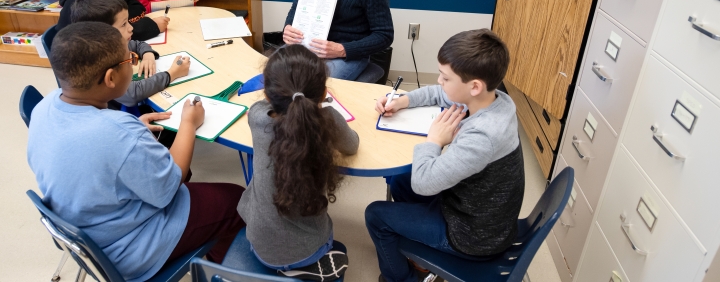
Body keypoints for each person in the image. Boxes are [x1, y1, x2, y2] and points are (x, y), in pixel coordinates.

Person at [27, 22, 245, 282]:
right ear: (110, 78)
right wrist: (188, 123)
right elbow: (172, 184)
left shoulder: (44, 106)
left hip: (91, 228)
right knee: (237, 200)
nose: (133, 63)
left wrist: (132, 134)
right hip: (127, 250)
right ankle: (229, 273)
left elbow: (91, 148)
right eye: (129, 60)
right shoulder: (119, 131)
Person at [366, 29, 525, 282]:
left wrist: (434, 140)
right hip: (474, 208)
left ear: (474, 86)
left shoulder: (483, 136)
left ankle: (402, 279)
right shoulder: (493, 99)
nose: (439, 81)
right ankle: (421, 256)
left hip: (472, 236)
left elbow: (423, 183)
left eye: (445, 77)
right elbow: (440, 94)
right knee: (399, 179)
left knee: (375, 214)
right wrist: (402, 100)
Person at [237, 45, 359, 281]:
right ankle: (300, 269)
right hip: (309, 251)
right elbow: (352, 145)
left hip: (258, 245)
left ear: (266, 94)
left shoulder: (257, 116)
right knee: (323, 228)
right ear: (324, 93)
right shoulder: (329, 119)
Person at [70, 0, 191, 107]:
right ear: (101, 32)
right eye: (123, 24)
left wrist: (148, 54)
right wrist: (172, 74)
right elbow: (132, 94)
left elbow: (137, 44)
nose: (131, 28)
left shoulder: (108, 44)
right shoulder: (98, 61)